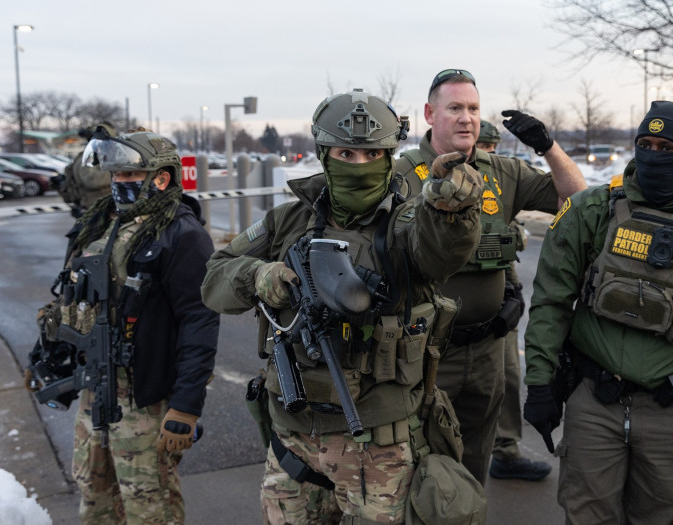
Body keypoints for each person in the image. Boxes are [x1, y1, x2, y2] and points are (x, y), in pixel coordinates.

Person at [200, 88, 483, 524]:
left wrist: (451, 210)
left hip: (380, 448)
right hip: (292, 444)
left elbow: (443, 252)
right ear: (323, 153)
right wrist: (257, 276)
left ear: (390, 156)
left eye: (371, 154)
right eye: (345, 153)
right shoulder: (287, 221)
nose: (359, 165)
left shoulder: (409, 221)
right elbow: (214, 278)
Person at [523, 101, 673, 524]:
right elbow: (551, 302)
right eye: (646, 144)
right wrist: (540, 384)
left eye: (668, 147)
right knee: (586, 514)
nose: (655, 155)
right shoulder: (591, 211)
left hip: (672, 411)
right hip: (594, 399)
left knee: (658, 515)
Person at [394, 69, 586, 484]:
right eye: (455, 108)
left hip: (485, 354)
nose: (467, 118)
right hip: (423, 352)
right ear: (430, 113)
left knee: (473, 470)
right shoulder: (403, 175)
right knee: (414, 471)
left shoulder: (501, 172)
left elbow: (575, 200)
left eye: (474, 109)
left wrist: (547, 146)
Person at [27, 128, 219, 524]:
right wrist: (42, 354)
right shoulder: (96, 224)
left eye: (129, 177)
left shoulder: (181, 234)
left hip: (144, 399)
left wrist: (186, 405)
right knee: (94, 498)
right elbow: (68, 298)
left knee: (150, 506)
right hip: (92, 389)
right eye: (115, 176)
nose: (118, 184)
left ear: (161, 178)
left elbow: (199, 323)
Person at [474, 118, 553, 481]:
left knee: (507, 375)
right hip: (460, 302)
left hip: (502, 288)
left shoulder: (500, 178)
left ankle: (505, 448)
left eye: (491, 148)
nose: (487, 155)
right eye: (483, 147)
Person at [55, 122, 114, 218]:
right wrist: (119, 172)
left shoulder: (101, 155)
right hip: (95, 210)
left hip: (102, 208)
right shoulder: (90, 156)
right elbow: (92, 180)